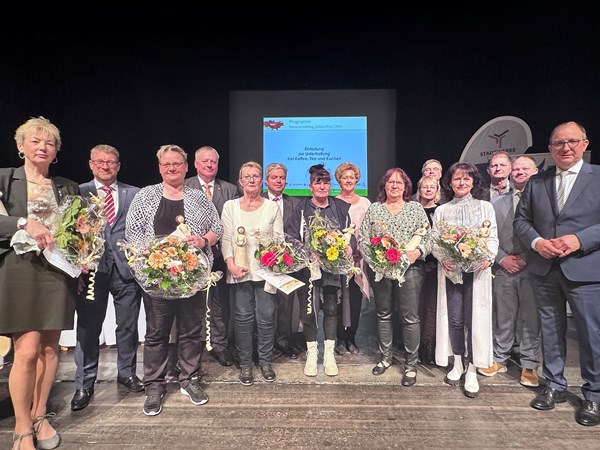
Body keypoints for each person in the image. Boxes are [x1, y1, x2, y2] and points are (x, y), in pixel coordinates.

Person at [0, 116, 80, 450]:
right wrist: (24, 223)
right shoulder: (5, 178)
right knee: (27, 350)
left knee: (50, 348)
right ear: (20, 146)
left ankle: (40, 414)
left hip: (57, 273)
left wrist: (84, 251)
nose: (42, 147)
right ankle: (21, 427)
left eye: (49, 143)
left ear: (56, 150)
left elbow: (78, 231)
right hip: (20, 270)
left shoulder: (67, 187)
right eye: (34, 141)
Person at [514, 121, 600, 427]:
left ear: (584, 144)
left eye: (572, 141)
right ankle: (555, 385)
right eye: (559, 143)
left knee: (591, 335)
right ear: (550, 149)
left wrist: (580, 239)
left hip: (585, 269)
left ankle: (594, 394)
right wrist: (537, 243)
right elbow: (521, 221)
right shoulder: (538, 183)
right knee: (549, 330)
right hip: (545, 268)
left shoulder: (598, 177)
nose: (565, 147)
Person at [126, 144, 222, 416]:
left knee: (192, 331)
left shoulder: (199, 197)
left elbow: (218, 229)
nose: (171, 168)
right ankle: (154, 387)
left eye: (177, 164)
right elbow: (132, 236)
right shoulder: (145, 196)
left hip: (192, 277)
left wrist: (203, 240)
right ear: (159, 168)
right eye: (166, 164)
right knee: (156, 334)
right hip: (157, 279)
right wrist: (156, 256)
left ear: (185, 166)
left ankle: (189, 379)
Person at [70, 144, 143, 413]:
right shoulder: (78, 193)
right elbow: (70, 237)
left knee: (128, 327)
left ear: (118, 165)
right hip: (91, 273)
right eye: (100, 162)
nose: (105, 166)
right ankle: (85, 384)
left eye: (110, 162)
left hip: (126, 273)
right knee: (89, 330)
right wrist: (77, 268)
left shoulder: (134, 194)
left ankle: (127, 373)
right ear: (91, 164)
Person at [432, 161, 498, 398]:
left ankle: (472, 368)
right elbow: (434, 241)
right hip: (452, 273)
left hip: (476, 272)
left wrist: (488, 258)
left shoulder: (485, 208)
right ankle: (457, 361)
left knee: (474, 321)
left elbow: (492, 239)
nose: (461, 183)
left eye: (466, 179)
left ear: (473, 182)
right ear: (449, 183)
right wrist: (443, 258)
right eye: (457, 179)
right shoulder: (442, 210)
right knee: (455, 319)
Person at [360, 168, 431, 386]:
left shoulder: (415, 208)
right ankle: (386, 358)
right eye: (390, 182)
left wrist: (416, 252)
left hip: (409, 271)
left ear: (406, 187)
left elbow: (429, 238)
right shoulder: (374, 209)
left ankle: (411, 365)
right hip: (380, 271)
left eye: (399, 183)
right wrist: (375, 261)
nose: (394, 186)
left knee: (409, 317)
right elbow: (363, 239)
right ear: (384, 185)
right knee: (383, 314)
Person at [478, 155, 541, 387]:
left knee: (530, 319)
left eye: (525, 168)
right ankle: (500, 358)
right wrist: (502, 258)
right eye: (515, 169)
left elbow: (547, 233)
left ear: (535, 172)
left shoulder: (544, 201)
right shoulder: (495, 203)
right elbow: (486, 237)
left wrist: (525, 258)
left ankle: (529, 364)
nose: (519, 172)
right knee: (503, 316)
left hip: (533, 267)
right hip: (503, 267)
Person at [288, 164, 356, 378]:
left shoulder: (340, 208)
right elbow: (290, 237)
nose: (322, 186)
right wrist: (307, 254)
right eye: (318, 182)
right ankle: (311, 355)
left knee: (330, 310)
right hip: (308, 270)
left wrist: (348, 245)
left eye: (326, 182)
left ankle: (328, 356)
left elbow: (351, 234)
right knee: (308, 313)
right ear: (310, 187)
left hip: (332, 270)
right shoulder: (300, 209)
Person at [221, 161, 283, 386]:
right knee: (243, 319)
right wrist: (230, 263)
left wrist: (273, 261)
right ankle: (246, 363)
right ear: (240, 181)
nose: (251, 179)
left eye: (256, 176)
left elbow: (279, 241)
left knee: (266, 319)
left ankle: (265, 361)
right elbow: (226, 238)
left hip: (266, 274)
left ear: (261, 180)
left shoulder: (271, 207)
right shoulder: (230, 206)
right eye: (247, 176)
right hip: (239, 272)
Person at [185, 145, 239, 367]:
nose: (209, 165)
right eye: (205, 161)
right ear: (196, 164)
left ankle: (220, 345)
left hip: (219, 256)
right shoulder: (184, 186)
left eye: (213, 162)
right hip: (189, 258)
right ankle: (192, 346)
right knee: (191, 304)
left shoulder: (230, 189)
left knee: (219, 304)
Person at [262, 162, 301, 359]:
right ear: (266, 180)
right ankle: (264, 344)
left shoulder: (295, 203)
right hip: (262, 263)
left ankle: (283, 342)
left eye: (282, 178)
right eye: (274, 177)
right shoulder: (258, 201)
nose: (278, 181)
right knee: (265, 305)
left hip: (288, 263)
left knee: (286, 305)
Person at [334, 162, 371, 355]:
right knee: (341, 300)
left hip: (360, 259)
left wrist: (360, 251)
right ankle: (340, 339)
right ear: (338, 180)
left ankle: (352, 339)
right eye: (344, 177)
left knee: (355, 301)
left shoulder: (365, 203)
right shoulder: (333, 202)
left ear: (357, 179)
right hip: (339, 259)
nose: (348, 180)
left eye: (352, 177)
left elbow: (370, 230)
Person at [415, 175, 442, 365]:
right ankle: (412, 346)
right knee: (415, 307)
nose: (428, 189)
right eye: (425, 186)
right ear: (419, 189)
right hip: (415, 265)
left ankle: (429, 348)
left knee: (431, 308)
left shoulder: (441, 211)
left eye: (432, 187)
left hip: (435, 266)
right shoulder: (412, 210)